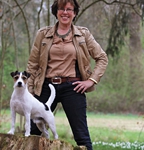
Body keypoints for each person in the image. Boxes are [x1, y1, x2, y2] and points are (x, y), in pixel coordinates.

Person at [27, 0, 108, 149]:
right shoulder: (43, 34)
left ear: (75, 13)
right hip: (45, 86)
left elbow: (102, 58)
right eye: (62, 9)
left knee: (81, 136)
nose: (65, 12)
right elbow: (33, 64)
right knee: (33, 132)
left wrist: (91, 81)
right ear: (56, 11)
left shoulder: (83, 34)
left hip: (73, 87)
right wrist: (30, 91)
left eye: (69, 9)